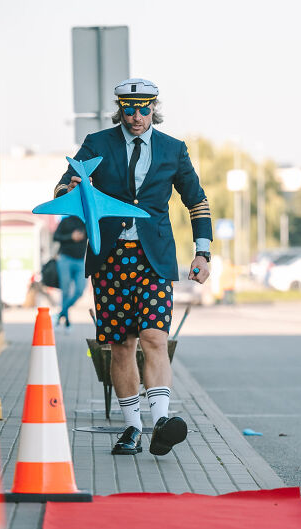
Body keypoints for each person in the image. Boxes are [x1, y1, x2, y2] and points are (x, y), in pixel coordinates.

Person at [53, 78, 212, 456]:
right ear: (119, 108)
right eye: (129, 109)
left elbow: (198, 202)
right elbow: (60, 191)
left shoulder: (173, 149)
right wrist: (72, 188)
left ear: (154, 108)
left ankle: (160, 421)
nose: (137, 117)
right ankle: (132, 427)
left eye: (144, 109)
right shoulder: (98, 143)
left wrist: (202, 252)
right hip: (110, 257)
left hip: (154, 257)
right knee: (122, 345)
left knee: (155, 337)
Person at [52, 215, 87, 328]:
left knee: (80, 290)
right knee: (65, 291)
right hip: (65, 259)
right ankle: (67, 322)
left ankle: (60, 313)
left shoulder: (86, 221)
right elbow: (56, 236)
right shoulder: (65, 221)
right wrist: (71, 237)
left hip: (81, 261)